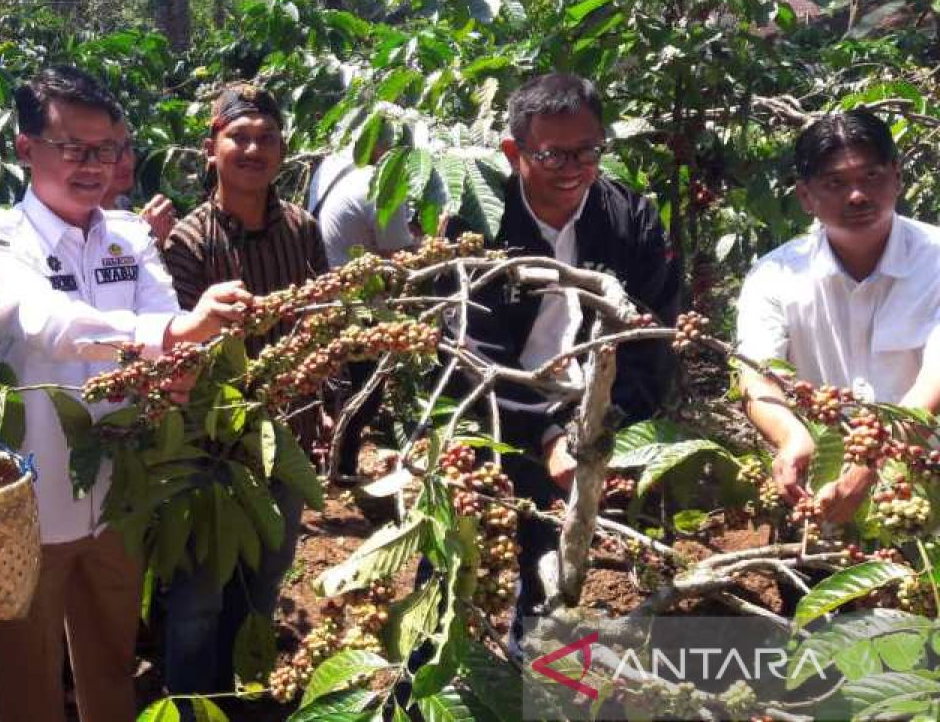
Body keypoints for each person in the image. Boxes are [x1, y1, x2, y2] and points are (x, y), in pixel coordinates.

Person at [0, 66, 248, 722]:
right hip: (29, 503)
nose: (95, 165)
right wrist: (174, 333)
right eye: (74, 148)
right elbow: (50, 324)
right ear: (26, 147)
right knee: (29, 682)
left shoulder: (131, 236)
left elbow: (168, 325)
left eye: (110, 149)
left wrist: (186, 361)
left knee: (113, 664)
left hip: (119, 492)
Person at [453, 73, 680, 627]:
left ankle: (546, 678)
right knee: (462, 566)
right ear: (514, 152)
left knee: (561, 574)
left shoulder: (630, 219)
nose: (575, 168)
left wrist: (603, 428)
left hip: (596, 415)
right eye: (554, 156)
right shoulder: (478, 223)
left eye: (588, 151)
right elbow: (471, 344)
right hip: (499, 415)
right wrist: (547, 432)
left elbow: (652, 337)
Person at [161, 82, 328, 693]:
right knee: (200, 590)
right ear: (213, 148)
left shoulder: (303, 230)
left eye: (267, 138)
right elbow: (177, 349)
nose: (253, 149)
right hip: (211, 451)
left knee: (264, 575)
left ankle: (238, 691)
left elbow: (321, 320)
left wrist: (321, 398)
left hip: (285, 437)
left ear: (283, 151)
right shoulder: (189, 240)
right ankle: (188, 702)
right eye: (240, 137)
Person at [736, 110, 940, 524]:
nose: (857, 196)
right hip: (822, 491)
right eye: (836, 183)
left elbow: (932, 385)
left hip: (926, 484)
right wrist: (791, 437)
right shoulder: (774, 277)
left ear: (897, 178)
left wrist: (872, 462)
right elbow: (755, 377)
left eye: (871, 177)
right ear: (806, 197)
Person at [308, 142, 416, 479]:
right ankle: (341, 468)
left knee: (331, 383)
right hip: (359, 307)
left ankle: (324, 458)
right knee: (365, 392)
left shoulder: (330, 166)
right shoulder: (385, 185)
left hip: (319, 294)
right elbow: (399, 261)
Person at [101, 116, 177, 247]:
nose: (126, 161)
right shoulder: (74, 222)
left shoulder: (122, 205)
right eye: (109, 150)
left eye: (128, 146)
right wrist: (144, 234)